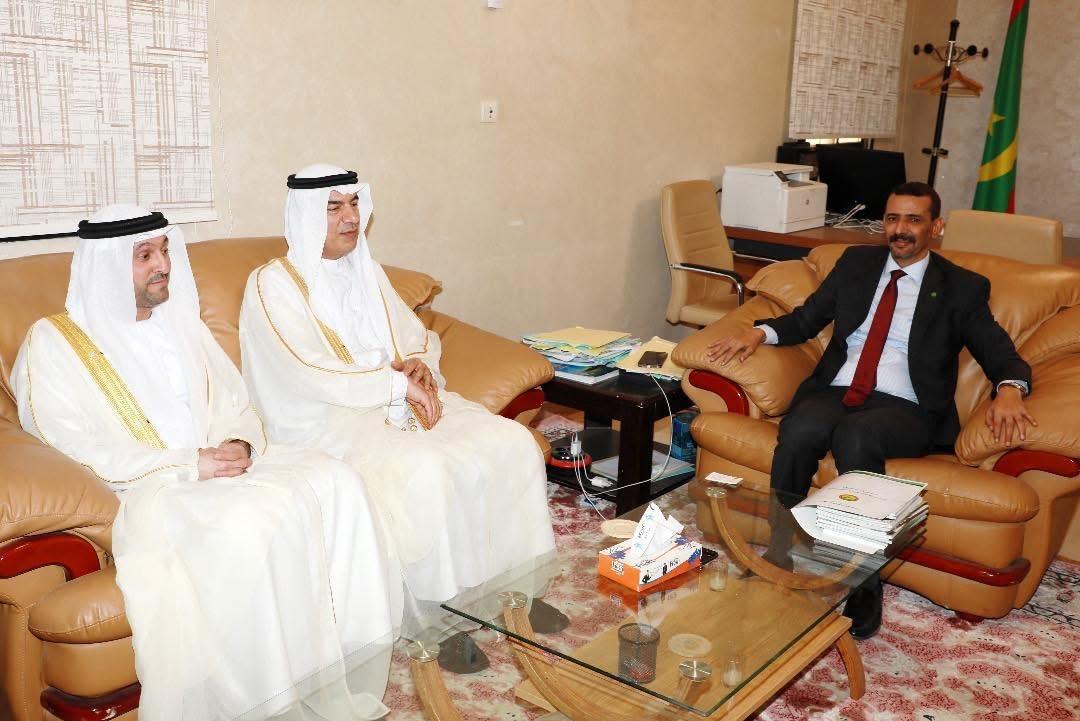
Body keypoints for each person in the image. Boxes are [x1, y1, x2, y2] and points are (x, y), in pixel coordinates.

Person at [12, 205, 402, 721]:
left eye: (165, 251)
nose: (163, 265)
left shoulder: (180, 324)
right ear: (105, 267)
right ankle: (267, 704)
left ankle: (342, 673)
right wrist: (186, 464)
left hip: (221, 468)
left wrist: (240, 441)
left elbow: (237, 402)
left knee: (338, 483)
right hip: (153, 489)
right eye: (145, 256)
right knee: (256, 521)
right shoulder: (54, 343)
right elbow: (65, 444)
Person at [705, 182, 1034, 639]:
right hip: (838, 390)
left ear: (936, 227)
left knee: (856, 436)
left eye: (914, 220)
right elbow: (807, 318)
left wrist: (1011, 387)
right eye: (893, 218)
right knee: (801, 427)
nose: (900, 230)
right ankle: (779, 550)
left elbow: (999, 351)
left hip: (907, 406)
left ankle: (864, 580)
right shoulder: (857, 263)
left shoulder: (961, 287)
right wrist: (760, 332)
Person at [238, 164, 555, 624]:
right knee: (424, 470)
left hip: (396, 400)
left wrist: (417, 363)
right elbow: (304, 370)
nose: (351, 218)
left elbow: (415, 336)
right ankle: (446, 618)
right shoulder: (272, 284)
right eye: (333, 208)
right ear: (305, 215)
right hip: (325, 420)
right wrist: (393, 384)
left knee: (512, 442)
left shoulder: (367, 270)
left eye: (354, 204)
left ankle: (519, 589)